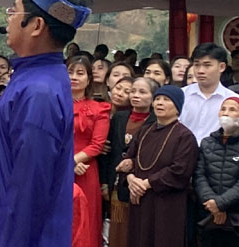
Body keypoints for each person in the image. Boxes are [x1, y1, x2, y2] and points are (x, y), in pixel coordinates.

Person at [0, 0, 92, 247]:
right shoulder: (37, 78)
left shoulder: (39, 93)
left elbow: (28, 198)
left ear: (36, 25)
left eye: (15, 10)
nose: (9, 17)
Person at [116, 85, 199, 247]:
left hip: (166, 202)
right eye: (157, 99)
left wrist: (147, 183)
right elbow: (129, 159)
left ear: (177, 107)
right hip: (139, 198)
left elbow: (180, 171)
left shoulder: (185, 136)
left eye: (166, 100)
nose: (160, 103)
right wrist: (131, 179)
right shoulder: (144, 131)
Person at [103, 77, 157, 247]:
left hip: (141, 184)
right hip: (117, 182)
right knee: (118, 230)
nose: (135, 95)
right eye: (133, 91)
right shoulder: (119, 117)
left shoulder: (156, 121)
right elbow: (109, 152)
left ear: (153, 97)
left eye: (142, 92)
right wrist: (104, 181)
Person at [68, 54, 111, 247]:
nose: (74, 77)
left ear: (89, 79)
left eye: (80, 73)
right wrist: (66, 164)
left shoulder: (99, 109)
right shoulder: (53, 105)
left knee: (86, 220)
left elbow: (97, 145)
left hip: (85, 170)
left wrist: (72, 162)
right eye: (70, 72)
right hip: (55, 167)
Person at [194, 96, 239, 246]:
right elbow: (199, 175)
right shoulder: (207, 142)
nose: (226, 113)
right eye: (223, 109)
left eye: (232, 110)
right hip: (208, 213)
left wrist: (220, 203)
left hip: (235, 215)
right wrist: (212, 204)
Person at [180, 44, 239, 142]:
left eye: (207, 65)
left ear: (222, 67)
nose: (200, 71)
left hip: (217, 150)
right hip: (184, 149)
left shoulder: (233, 100)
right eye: (196, 65)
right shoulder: (181, 95)